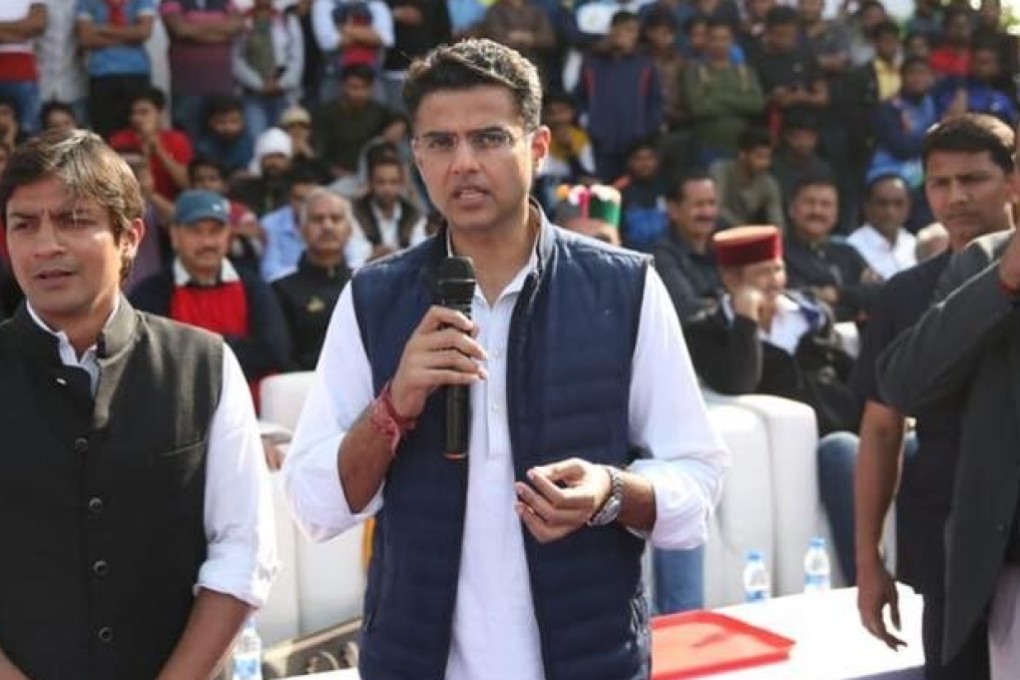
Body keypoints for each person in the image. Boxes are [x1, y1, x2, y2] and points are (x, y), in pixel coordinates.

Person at [282, 38, 728, 680]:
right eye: (440, 143)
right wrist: (393, 406)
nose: (463, 163)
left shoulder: (622, 287)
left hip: (588, 659)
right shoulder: (374, 298)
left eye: (488, 138)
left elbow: (699, 477)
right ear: (417, 156)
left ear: (538, 147)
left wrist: (611, 492)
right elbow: (314, 507)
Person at [0, 129, 277, 679]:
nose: (45, 245)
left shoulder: (204, 364)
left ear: (130, 237)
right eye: (23, 224)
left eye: (74, 220)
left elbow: (244, 551)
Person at [855, 113, 1015, 680]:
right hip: (945, 535)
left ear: (1012, 182)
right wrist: (869, 557)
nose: (957, 197)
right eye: (941, 184)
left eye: (973, 180)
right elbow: (881, 427)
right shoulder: (904, 294)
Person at [684, 224, 861, 583]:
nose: (775, 281)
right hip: (807, 447)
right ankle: (866, 579)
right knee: (842, 450)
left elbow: (845, 371)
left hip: (853, 424)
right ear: (731, 278)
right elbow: (738, 380)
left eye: (777, 268)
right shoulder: (705, 329)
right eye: (762, 272)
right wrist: (747, 321)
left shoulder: (809, 313)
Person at [131, 189, 294, 386]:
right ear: (174, 236)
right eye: (196, 231)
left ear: (229, 236)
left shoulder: (254, 286)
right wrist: (233, 346)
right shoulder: (150, 292)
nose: (207, 242)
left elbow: (274, 352)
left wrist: (191, 349)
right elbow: (151, 360)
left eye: (215, 231)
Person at [273, 188, 353, 370]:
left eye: (336, 218)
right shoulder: (280, 290)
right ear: (301, 230)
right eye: (318, 219)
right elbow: (282, 357)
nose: (327, 226)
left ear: (349, 230)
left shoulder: (367, 284)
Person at [783, 174, 881, 323]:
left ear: (836, 213)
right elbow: (800, 303)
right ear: (791, 209)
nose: (817, 211)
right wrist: (856, 308)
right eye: (809, 203)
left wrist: (838, 294)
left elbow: (880, 293)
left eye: (826, 204)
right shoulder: (779, 255)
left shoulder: (847, 252)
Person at [652, 171, 723, 322]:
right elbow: (686, 308)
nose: (707, 212)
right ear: (673, 210)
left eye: (711, 203)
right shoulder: (662, 256)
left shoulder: (723, 247)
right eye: (699, 205)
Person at [348, 154, 428, 267]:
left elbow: (419, 255)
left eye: (393, 182)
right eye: (381, 182)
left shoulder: (414, 214)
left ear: (401, 184)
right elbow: (355, 259)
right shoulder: (355, 212)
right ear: (370, 183)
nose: (387, 188)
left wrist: (390, 256)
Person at [847, 174, 917, 280]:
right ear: (867, 206)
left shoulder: (914, 244)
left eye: (898, 204)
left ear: (908, 207)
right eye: (882, 203)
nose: (890, 211)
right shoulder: (852, 247)